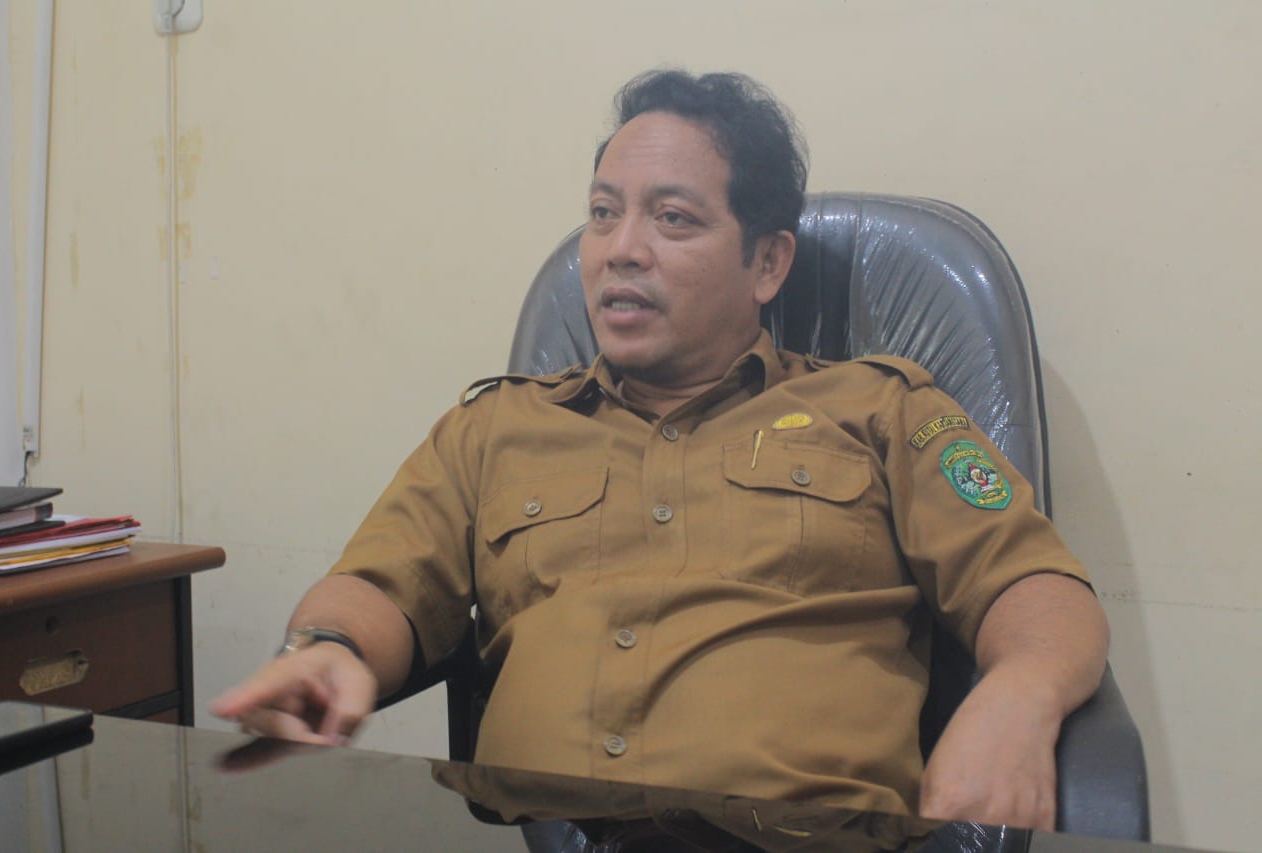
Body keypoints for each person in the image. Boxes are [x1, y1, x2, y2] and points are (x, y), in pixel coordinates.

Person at [211, 69, 1108, 832]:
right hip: (543, 835)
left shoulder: (879, 410)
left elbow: (1036, 586)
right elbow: (376, 585)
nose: (620, 250)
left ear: (768, 263)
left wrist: (1022, 692)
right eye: (603, 214)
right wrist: (328, 645)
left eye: (671, 218)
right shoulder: (494, 429)